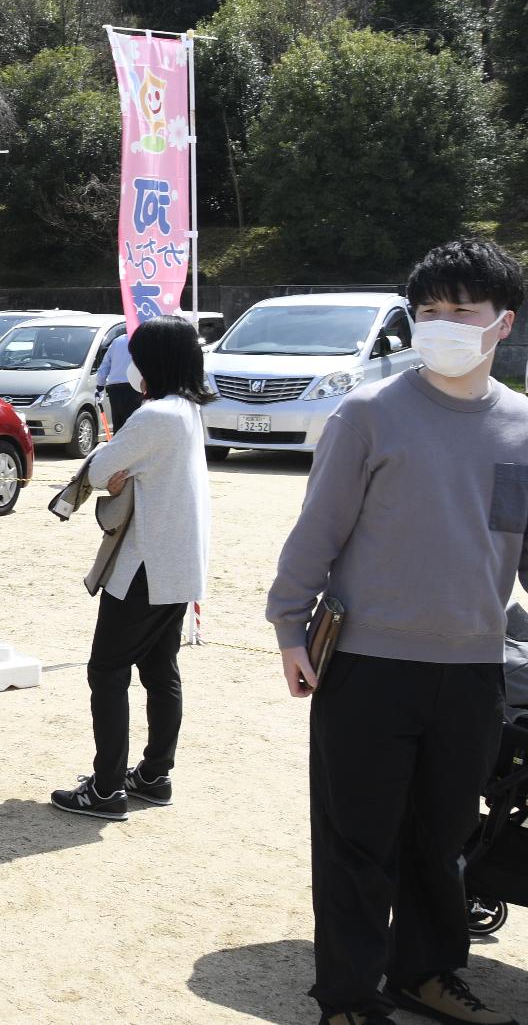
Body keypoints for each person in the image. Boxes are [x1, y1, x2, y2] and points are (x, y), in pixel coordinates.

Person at [266, 238, 528, 1025]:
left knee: (443, 842)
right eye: (428, 311)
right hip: (368, 664)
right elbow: (317, 532)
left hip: (476, 668)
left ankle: (428, 972)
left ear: (502, 324)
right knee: (357, 842)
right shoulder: (369, 413)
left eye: (462, 310)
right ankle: (348, 995)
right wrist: (288, 628)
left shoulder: (521, 426)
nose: (442, 323)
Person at [50, 313, 212, 822]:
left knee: (108, 671)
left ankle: (104, 789)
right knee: (160, 670)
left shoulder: (155, 415)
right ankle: (153, 775)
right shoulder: (186, 410)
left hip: (146, 565)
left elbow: (98, 470)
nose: (131, 365)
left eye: (136, 357)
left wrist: (113, 465)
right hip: (179, 563)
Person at [95, 331, 140, 433]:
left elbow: (105, 365)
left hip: (115, 388)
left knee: (118, 424)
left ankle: (118, 447)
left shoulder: (117, 341)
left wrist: (100, 385)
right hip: (135, 387)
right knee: (133, 426)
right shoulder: (145, 340)